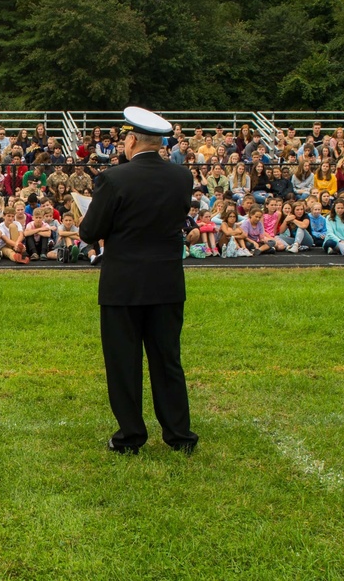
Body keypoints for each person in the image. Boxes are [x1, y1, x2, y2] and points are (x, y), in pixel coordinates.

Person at [79, 107, 198, 455]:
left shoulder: (114, 179)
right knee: (167, 360)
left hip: (124, 283)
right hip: (166, 280)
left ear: (131, 140)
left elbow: (91, 231)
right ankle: (179, 435)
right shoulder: (182, 177)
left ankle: (130, 436)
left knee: (123, 362)